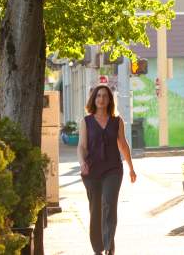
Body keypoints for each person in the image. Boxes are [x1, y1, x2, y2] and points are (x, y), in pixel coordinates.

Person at [77, 85, 137, 255]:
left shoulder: (117, 121)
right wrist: (82, 162)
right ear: (94, 99)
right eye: (98, 96)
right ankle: (98, 248)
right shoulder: (86, 122)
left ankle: (109, 246)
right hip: (92, 171)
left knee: (109, 204)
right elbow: (81, 146)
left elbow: (123, 145)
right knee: (95, 209)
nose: (101, 99)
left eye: (105, 96)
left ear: (110, 100)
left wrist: (131, 168)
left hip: (113, 169)